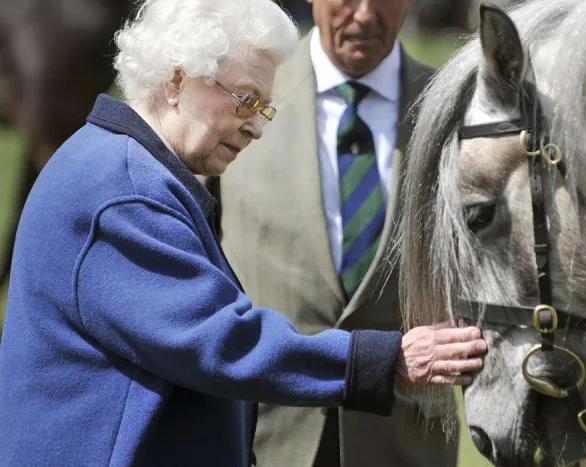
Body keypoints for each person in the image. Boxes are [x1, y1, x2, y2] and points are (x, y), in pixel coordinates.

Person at [0, 1, 487, 466]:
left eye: (264, 108)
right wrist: (384, 358)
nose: (255, 127)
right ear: (176, 81)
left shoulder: (128, 169)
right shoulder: (123, 191)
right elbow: (217, 341)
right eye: (246, 100)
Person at [210, 0, 458, 466]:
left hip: (403, 439)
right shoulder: (241, 93)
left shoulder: (454, 106)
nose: (365, 15)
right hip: (258, 435)